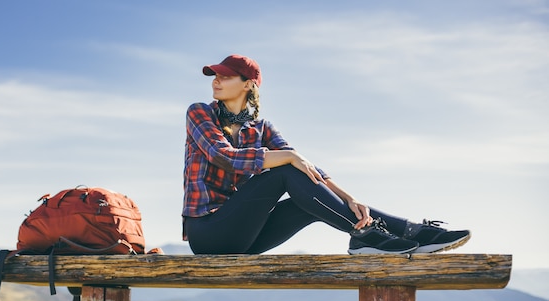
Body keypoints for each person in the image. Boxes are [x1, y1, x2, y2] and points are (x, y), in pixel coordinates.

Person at [182, 54, 470, 255]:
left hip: (246, 238)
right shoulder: (200, 112)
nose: (215, 80)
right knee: (285, 169)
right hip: (208, 232)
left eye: (225, 75)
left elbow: (304, 167)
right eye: (215, 75)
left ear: (248, 84)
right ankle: (376, 234)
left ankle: (402, 231)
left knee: (306, 196)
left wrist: (350, 198)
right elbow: (224, 156)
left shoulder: (262, 128)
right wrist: (289, 157)